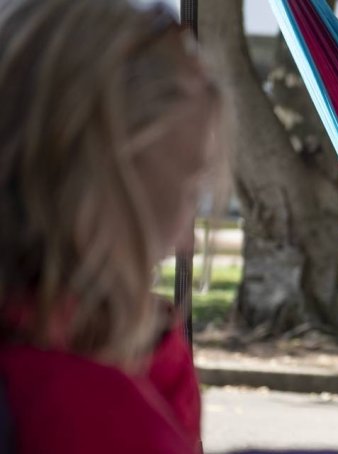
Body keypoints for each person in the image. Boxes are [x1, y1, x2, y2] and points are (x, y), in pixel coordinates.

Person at [0, 0, 220, 452]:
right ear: (91, 198)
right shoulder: (84, 408)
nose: (185, 239)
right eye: (185, 192)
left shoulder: (130, 352)